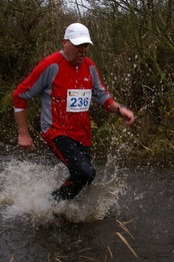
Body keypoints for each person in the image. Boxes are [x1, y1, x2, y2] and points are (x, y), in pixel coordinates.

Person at [12, 22, 136, 201]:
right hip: (56, 131)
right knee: (84, 172)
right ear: (65, 43)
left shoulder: (90, 66)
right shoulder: (51, 65)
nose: (82, 50)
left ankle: (62, 208)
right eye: (78, 45)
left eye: (85, 46)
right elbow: (20, 95)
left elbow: (100, 95)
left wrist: (119, 108)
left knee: (88, 176)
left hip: (82, 133)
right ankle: (50, 207)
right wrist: (23, 134)